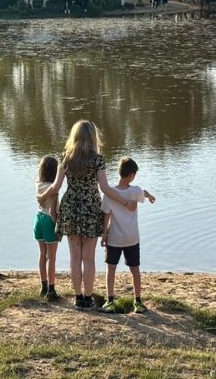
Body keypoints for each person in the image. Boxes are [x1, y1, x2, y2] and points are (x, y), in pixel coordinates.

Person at [37, 120, 136, 310]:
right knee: (88, 258)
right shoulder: (98, 160)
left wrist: (42, 195)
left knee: (75, 258)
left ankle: (78, 297)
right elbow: (105, 188)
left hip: (71, 208)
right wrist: (124, 201)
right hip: (90, 209)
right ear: (93, 137)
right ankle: (88, 298)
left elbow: (56, 186)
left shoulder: (66, 158)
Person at [98, 157, 156, 314]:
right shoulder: (134, 191)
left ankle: (110, 301)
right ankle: (138, 301)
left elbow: (106, 216)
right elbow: (143, 192)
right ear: (132, 175)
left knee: (111, 268)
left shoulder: (109, 193)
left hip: (114, 238)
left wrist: (104, 234)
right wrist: (150, 196)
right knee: (135, 269)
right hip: (132, 238)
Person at [34, 155, 60, 300]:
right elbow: (53, 211)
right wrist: (58, 225)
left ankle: (43, 286)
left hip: (38, 219)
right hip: (49, 221)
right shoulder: (53, 189)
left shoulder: (38, 184)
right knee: (52, 257)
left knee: (42, 254)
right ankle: (51, 289)